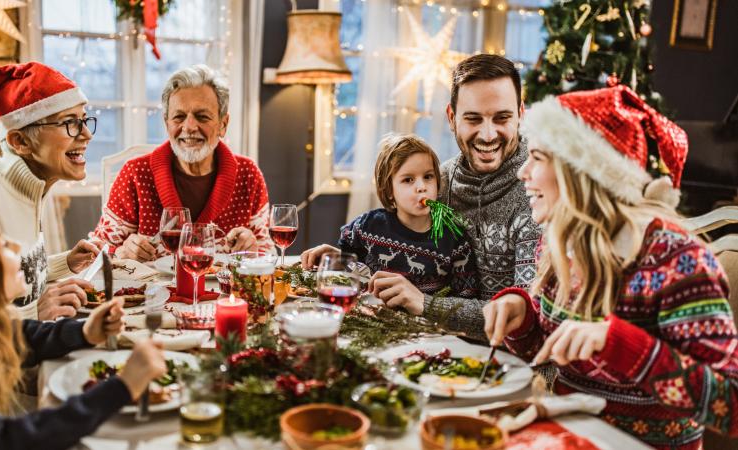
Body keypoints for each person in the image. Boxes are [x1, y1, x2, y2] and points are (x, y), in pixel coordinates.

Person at [483, 85, 738, 449]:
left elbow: (731, 406)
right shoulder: (561, 239)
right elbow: (547, 349)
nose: (523, 172)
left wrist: (621, 344)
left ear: (582, 173)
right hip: (565, 437)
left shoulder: (676, 261)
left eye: (537, 158)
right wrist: (522, 314)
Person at [0, 197, 166, 449]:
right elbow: (7, 441)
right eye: (1, 244)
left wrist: (84, 331)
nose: (17, 246)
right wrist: (121, 388)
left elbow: (21, 336)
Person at [356, 55, 540, 339]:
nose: (488, 134)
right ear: (452, 118)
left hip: (519, 368)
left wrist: (425, 304)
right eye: (473, 118)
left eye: (502, 118)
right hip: (434, 349)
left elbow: (529, 319)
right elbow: (389, 249)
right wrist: (345, 260)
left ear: (521, 115)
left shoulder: (540, 194)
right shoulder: (436, 185)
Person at [0, 62, 101, 321]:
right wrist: (34, 312)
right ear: (20, 141)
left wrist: (66, 263)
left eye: (84, 120)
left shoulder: (31, 188)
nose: (87, 134)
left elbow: (11, 280)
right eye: (70, 123)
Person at [92, 64, 271, 261]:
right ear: (166, 122)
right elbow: (96, 252)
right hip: (150, 291)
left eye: (202, 116)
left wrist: (254, 249)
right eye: (179, 117)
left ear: (223, 124)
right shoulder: (136, 173)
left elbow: (267, 251)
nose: (189, 126)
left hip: (224, 292)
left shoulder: (247, 174)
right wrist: (119, 252)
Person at [301, 133, 478, 298]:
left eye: (428, 177)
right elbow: (353, 270)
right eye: (408, 180)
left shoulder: (454, 240)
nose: (422, 187)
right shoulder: (367, 227)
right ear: (389, 191)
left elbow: (465, 296)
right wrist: (336, 258)